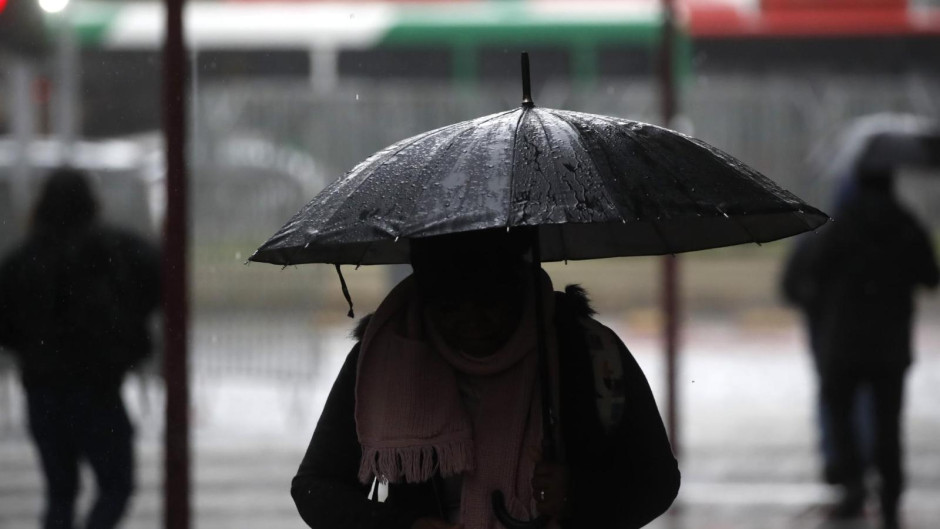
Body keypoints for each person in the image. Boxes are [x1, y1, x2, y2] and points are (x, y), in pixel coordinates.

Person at [291, 228, 680, 529]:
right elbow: (316, 487)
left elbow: (656, 481)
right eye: (449, 307)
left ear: (517, 282)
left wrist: (576, 495)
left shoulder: (585, 350)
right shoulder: (381, 358)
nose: (472, 321)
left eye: (490, 301)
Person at [0, 168, 161, 529]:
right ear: (91, 203)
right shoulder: (114, 250)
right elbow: (155, 280)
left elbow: (6, 327)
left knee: (60, 493)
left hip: (43, 392)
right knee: (116, 485)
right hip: (97, 390)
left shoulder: (23, 260)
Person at [783, 171, 937, 529]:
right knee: (888, 424)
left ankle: (852, 488)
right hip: (890, 346)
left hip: (844, 344)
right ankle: (890, 499)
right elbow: (930, 275)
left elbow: (808, 276)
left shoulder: (839, 225)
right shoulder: (906, 225)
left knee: (840, 416)